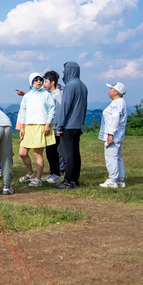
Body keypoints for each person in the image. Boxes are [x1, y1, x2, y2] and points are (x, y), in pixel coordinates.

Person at [53, 62, 88, 190]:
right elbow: (84, 107)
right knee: (75, 153)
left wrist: (60, 126)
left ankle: (68, 181)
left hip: (68, 126)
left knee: (67, 154)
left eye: (64, 71)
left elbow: (65, 106)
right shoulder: (83, 86)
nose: (63, 73)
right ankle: (74, 180)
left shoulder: (70, 86)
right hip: (77, 126)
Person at [17, 72, 56, 187]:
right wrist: (22, 128)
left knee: (37, 154)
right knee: (22, 153)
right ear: (31, 82)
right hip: (28, 126)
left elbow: (51, 110)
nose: (39, 81)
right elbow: (23, 112)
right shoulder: (27, 96)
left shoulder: (46, 95)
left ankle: (38, 179)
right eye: (36, 79)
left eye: (40, 79)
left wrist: (47, 124)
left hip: (41, 126)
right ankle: (30, 174)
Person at [99, 82, 128, 188]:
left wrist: (110, 135)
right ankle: (120, 179)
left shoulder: (117, 103)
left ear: (116, 92)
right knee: (117, 156)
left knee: (111, 157)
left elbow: (115, 118)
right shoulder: (121, 102)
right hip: (118, 135)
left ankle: (113, 180)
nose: (109, 91)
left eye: (111, 89)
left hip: (114, 135)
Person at [42, 70, 64, 184]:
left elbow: (58, 112)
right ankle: (53, 173)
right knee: (50, 152)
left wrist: (55, 126)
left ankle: (57, 174)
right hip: (51, 127)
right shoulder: (51, 95)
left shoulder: (57, 95)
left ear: (53, 82)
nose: (44, 84)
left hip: (55, 128)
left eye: (46, 81)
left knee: (53, 152)